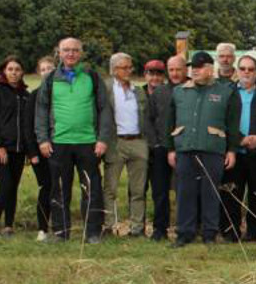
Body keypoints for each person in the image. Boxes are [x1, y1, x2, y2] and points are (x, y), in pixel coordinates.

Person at [35, 36, 113, 244]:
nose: (71, 54)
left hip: (88, 142)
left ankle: (93, 232)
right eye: (66, 50)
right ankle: (61, 232)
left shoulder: (92, 77)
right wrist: (43, 139)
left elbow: (104, 109)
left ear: (81, 53)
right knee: (59, 189)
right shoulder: (50, 79)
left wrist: (103, 139)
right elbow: (41, 110)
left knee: (91, 188)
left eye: (75, 50)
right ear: (59, 53)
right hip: (58, 143)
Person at [165, 51, 241, 247]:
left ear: (210, 68)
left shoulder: (227, 91)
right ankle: (184, 233)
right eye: (193, 67)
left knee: (211, 193)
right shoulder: (179, 91)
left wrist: (232, 150)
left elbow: (233, 124)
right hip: (185, 148)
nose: (195, 71)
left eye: (199, 67)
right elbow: (169, 122)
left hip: (213, 148)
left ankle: (209, 233)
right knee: (185, 192)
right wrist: (171, 149)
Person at [220, 53, 256, 242]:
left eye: (251, 69)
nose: (246, 72)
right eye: (242, 68)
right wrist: (238, 140)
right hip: (233, 152)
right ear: (237, 71)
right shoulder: (227, 92)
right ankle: (230, 233)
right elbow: (221, 121)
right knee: (231, 195)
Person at [0, 56, 37, 237]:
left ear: (22, 72)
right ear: (4, 72)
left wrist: (30, 151)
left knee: (13, 187)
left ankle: (8, 226)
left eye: (17, 69)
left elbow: (28, 125)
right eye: (10, 69)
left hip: (19, 149)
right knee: (5, 185)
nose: (14, 73)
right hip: (1, 148)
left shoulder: (26, 96)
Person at [102, 52, 150, 237]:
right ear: (114, 69)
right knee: (110, 188)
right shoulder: (105, 89)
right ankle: (109, 226)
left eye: (130, 67)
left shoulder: (137, 90)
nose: (129, 70)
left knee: (138, 189)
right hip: (115, 142)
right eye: (124, 67)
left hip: (138, 141)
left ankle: (137, 228)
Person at [145, 55, 186, 241]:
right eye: (171, 70)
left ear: (185, 69)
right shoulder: (159, 93)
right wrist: (155, 143)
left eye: (178, 69)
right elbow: (148, 119)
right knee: (160, 191)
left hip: (185, 148)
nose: (175, 73)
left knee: (184, 190)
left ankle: (185, 228)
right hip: (161, 148)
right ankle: (160, 228)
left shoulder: (192, 90)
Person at [28, 57, 57, 240]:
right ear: (39, 72)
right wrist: (33, 152)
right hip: (40, 150)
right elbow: (28, 126)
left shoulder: (61, 93)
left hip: (60, 148)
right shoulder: (35, 95)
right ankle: (43, 228)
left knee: (59, 188)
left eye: (50, 68)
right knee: (46, 187)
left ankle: (60, 226)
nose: (47, 72)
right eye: (43, 69)